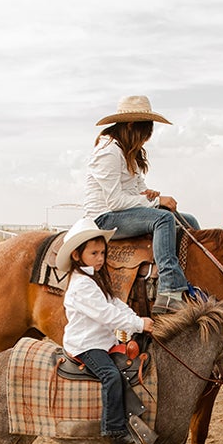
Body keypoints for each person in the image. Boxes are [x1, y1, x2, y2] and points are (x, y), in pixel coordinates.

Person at [83, 95, 201, 314]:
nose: (146, 139)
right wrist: (155, 202)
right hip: (104, 217)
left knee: (188, 220)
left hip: (124, 212)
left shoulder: (129, 153)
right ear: (130, 126)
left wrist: (149, 196)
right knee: (163, 218)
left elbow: (136, 190)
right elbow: (115, 201)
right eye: (145, 132)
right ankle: (169, 289)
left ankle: (195, 276)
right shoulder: (109, 152)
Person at [58, 217, 154, 444]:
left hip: (102, 341)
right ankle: (114, 430)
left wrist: (136, 319)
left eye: (102, 252)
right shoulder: (81, 285)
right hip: (86, 345)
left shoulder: (94, 278)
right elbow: (106, 315)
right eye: (94, 253)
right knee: (111, 375)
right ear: (77, 255)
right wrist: (138, 324)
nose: (100, 258)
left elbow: (116, 304)